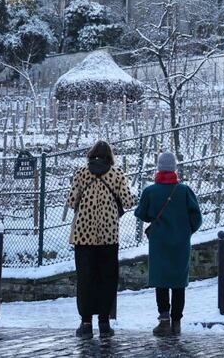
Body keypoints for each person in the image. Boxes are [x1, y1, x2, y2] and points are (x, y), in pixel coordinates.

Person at [66, 140, 135, 339]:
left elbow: (71, 202)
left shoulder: (81, 173)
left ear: (91, 154)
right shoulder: (117, 174)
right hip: (108, 235)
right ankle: (104, 323)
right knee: (107, 278)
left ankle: (85, 323)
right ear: (109, 156)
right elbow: (128, 201)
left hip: (83, 236)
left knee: (86, 279)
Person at [134, 151, 202, 337]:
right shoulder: (185, 191)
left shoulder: (150, 191)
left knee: (161, 281)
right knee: (179, 283)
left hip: (159, 243)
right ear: (174, 169)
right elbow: (197, 218)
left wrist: (154, 217)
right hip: (180, 243)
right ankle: (177, 322)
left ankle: (164, 320)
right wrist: (186, 231)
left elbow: (141, 213)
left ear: (158, 168)